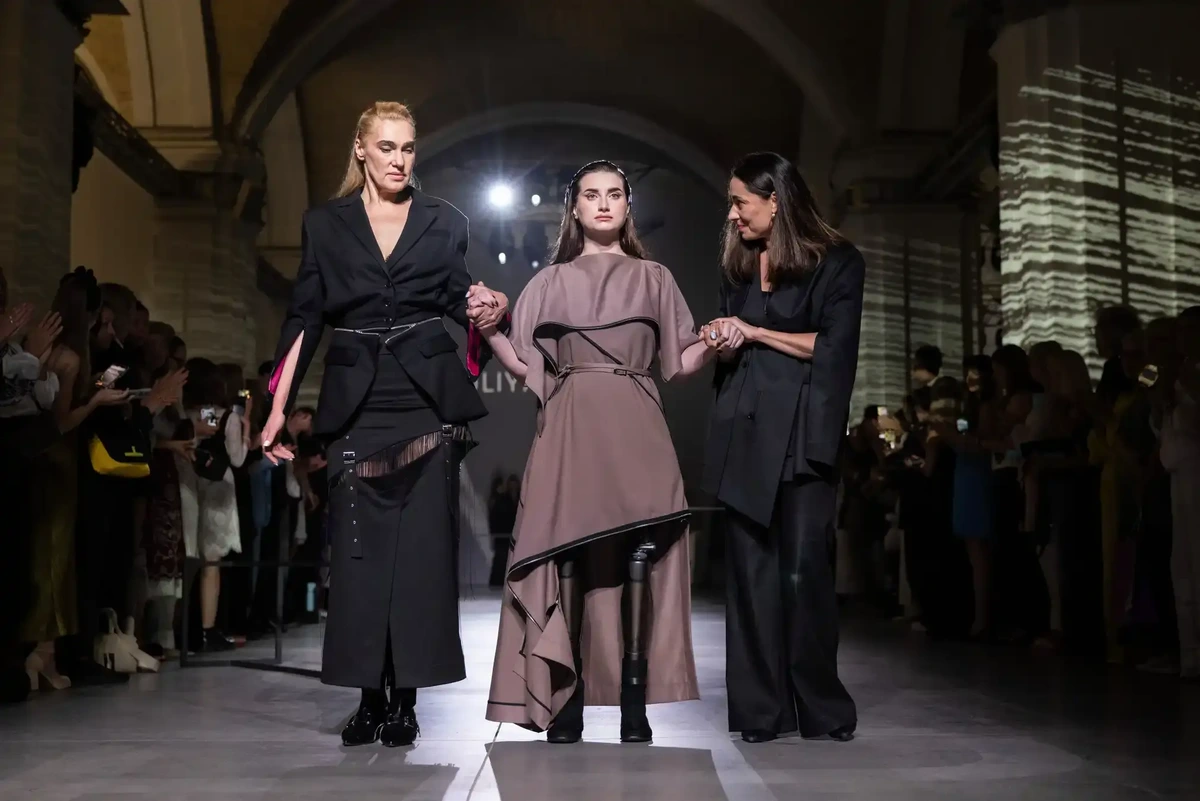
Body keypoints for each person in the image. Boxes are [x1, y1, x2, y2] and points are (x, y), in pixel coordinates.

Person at [260, 101, 508, 748]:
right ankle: (370, 698)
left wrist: (492, 306)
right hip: (356, 402)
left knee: (422, 556)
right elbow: (303, 323)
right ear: (362, 149)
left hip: (425, 397)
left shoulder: (443, 220)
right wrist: (276, 408)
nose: (400, 159)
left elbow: (462, 299)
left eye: (408, 148)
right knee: (360, 555)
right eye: (388, 147)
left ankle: (407, 700)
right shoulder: (325, 225)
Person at [475, 160, 713, 744]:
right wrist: (487, 332)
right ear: (574, 208)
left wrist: (717, 336)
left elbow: (679, 364)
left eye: (614, 194)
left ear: (627, 204)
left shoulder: (655, 278)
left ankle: (636, 703)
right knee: (568, 559)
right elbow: (527, 365)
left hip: (637, 426)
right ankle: (569, 701)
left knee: (640, 557)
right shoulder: (549, 282)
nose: (603, 204)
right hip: (571, 425)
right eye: (591, 195)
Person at [700, 152, 861, 744]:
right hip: (744, 428)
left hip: (802, 437)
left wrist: (755, 331)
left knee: (805, 574)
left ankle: (821, 708)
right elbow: (729, 336)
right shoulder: (738, 262)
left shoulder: (838, 263)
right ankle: (761, 713)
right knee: (749, 578)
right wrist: (720, 336)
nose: (733, 214)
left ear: (777, 200)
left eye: (741, 201)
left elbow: (834, 346)